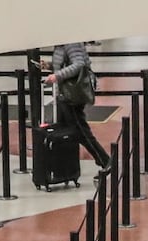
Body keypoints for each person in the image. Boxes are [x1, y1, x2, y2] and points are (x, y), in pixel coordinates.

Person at [43, 42, 110, 170]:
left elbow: (79, 64)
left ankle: (106, 161)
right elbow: (65, 64)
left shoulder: (71, 43)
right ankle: (63, 169)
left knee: (81, 132)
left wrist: (57, 76)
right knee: (63, 130)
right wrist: (50, 66)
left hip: (72, 95)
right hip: (64, 94)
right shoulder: (61, 43)